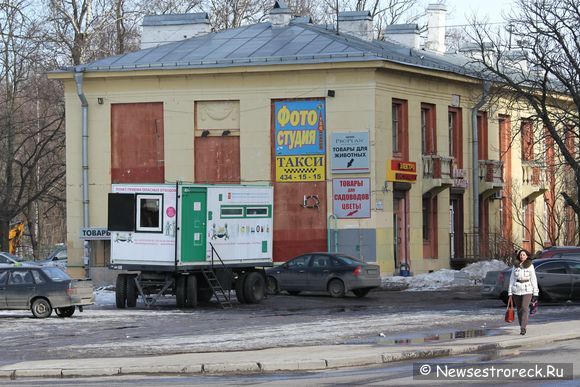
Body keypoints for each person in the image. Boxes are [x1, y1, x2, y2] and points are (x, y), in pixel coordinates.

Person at [508, 249, 539, 335]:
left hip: (527, 289)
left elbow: (533, 279)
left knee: (524, 308)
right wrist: (510, 292)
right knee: (519, 309)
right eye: (521, 255)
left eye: (524, 255)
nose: (522, 256)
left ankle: (523, 328)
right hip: (516, 289)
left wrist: (535, 293)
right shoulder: (515, 266)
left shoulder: (530, 266)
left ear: (527, 256)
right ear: (519, 256)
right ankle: (521, 325)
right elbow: (512, 279)